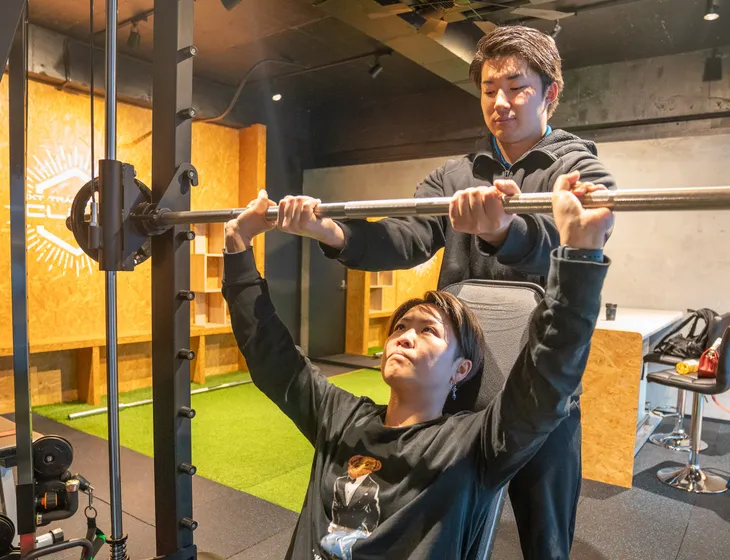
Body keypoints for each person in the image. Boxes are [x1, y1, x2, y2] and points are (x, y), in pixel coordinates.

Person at [267, 25, 615, 559]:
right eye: (489, 89)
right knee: (441, 524)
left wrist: (504, 231)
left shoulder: (577, 169)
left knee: (546, 537)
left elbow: (577, 238)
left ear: (550, 92)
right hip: (461, 381)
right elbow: (405, 237)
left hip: (541, 386)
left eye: (516, 88)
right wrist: (331, 232)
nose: (500, 102)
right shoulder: (454, 177)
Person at [221, 175, 613, 559]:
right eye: (400, 328)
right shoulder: (340, 418)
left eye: (428, 331)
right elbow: (270, 354)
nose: (405, 337)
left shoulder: (473, 446)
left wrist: (579, 255)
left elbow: (546, 377)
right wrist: (237, 244)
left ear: (461, 369)